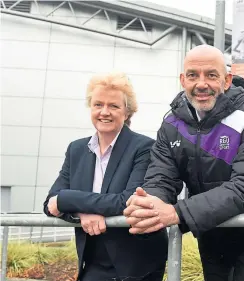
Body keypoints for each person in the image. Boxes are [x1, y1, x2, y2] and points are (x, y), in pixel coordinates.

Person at [123, 45, 244, 281]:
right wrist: (152, 201)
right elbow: (161, 177)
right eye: (193, 75)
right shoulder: (171, 125)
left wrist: (178, 213)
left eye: (211, 75)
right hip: (209, 233)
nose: (201, 83)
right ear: (183, 80)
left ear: (227, 81)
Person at [43, 72, 168, 281]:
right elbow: (49, 203)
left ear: (127, 112)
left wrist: (67, 200)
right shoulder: (76, 149)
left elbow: (126, 201)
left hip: (136, 264)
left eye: (114, 106)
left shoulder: (144, 148)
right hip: (92, 261)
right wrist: (81, 214)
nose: (104, 112)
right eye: (98, 104)